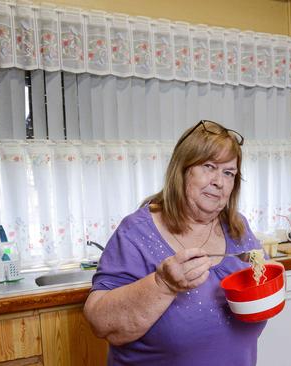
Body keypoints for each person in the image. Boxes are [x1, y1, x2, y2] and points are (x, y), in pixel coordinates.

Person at [84, 120, 272, 365]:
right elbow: (100, 322)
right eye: (209, 166)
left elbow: (262, 276)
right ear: (182, 169)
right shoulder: (136, 234)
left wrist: (272, 283)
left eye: (229, 173)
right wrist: (163, 284)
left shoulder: (237, 227)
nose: (219, 181)